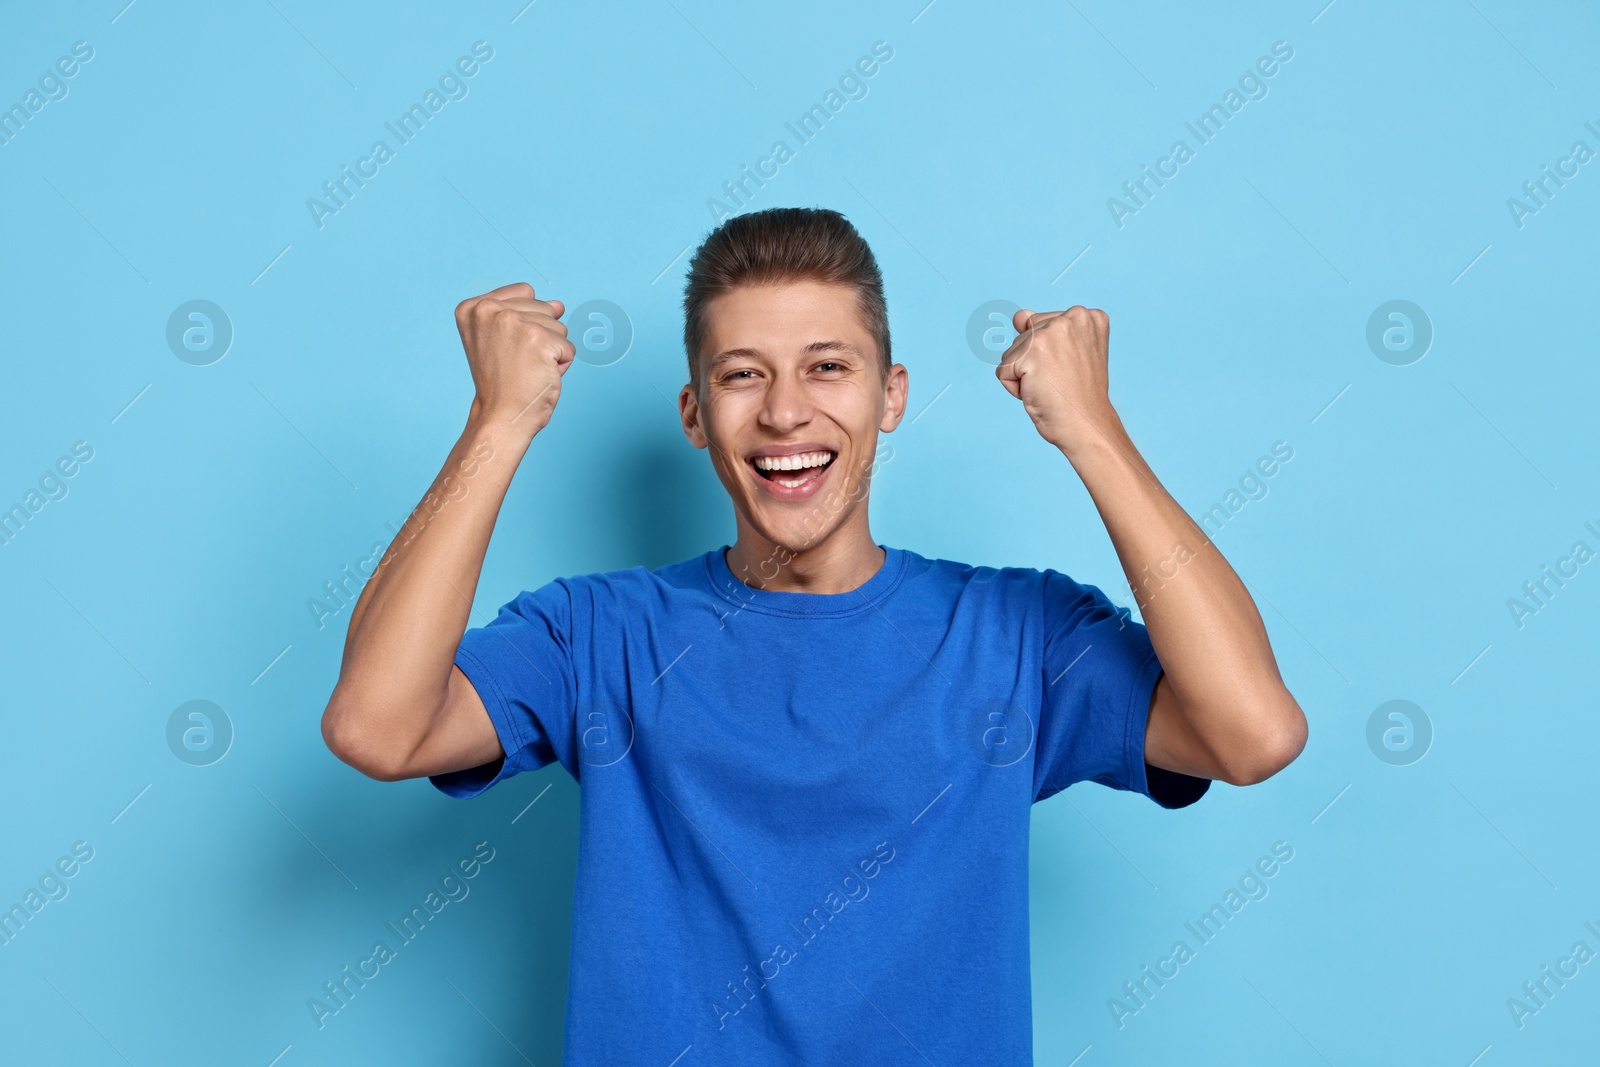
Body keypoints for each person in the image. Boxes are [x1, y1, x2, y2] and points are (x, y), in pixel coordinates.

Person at [320, 206, 1307, 1065]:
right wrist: (499, 421)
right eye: (741, 375)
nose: (785, 410)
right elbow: (379, 724)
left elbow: (1249, 732)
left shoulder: (1014, 631)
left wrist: (1092, 429)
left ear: (891, 395)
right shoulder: (600, 633)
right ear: (694, 414)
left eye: (827, 367)